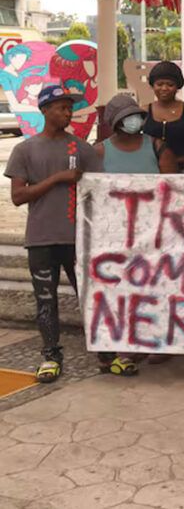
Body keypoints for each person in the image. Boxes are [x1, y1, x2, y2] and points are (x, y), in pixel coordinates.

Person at [5, 85, 130, 381]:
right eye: (61, 107)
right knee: (46, 301)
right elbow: (18, 196)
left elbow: (100, 190)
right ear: (45, 111)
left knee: (91, 296)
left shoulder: (81, 148)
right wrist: (58, 178)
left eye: (69, 107)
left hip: (79, 241)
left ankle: (106, 354)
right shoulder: (25, 149)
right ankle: (50, 356)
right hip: (41, 239)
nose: (67, 113)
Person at [97, 94, 176, 174]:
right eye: (127, 116)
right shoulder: (100, 151)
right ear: (116, 122)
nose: (134, 119)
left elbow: (170, 182)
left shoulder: (157, 147)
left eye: (135, 115)